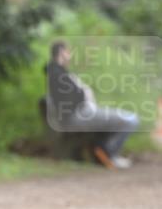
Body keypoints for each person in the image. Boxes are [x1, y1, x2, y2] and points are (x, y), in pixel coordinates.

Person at [46, 41, 139, 169]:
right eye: (68, 52)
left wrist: (82, 91)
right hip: (76, 116)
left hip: (78, 114)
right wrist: (83, 93)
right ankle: (109, 154)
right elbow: (70, 98)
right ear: (62, 52)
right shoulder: (57, 74)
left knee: (122, 118)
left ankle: (102, 150)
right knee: (131, 119)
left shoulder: (58, 72)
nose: (70, 55)